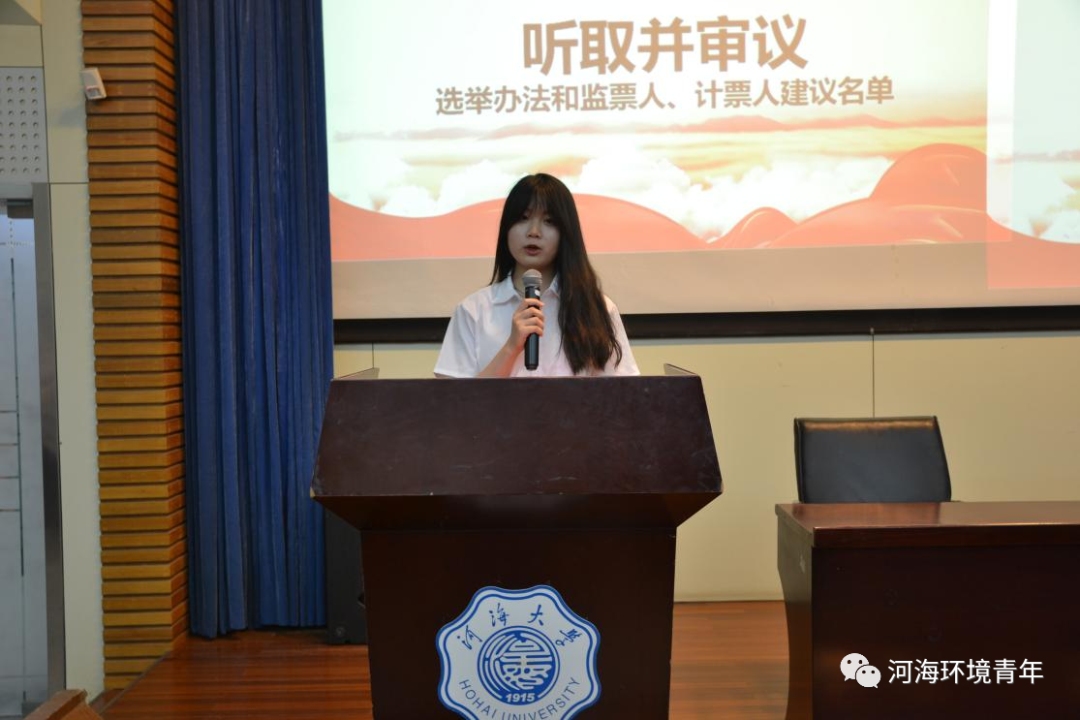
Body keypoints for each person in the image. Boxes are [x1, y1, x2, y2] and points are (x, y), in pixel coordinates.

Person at [435, 174, 640, 378]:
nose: (533, 232)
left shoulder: (597, 309)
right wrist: (511, 347)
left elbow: (623, 393)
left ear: (565, 232)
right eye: (523, 218)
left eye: (549, 221)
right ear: (506, 228)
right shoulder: (473, 311)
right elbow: (454, 397)